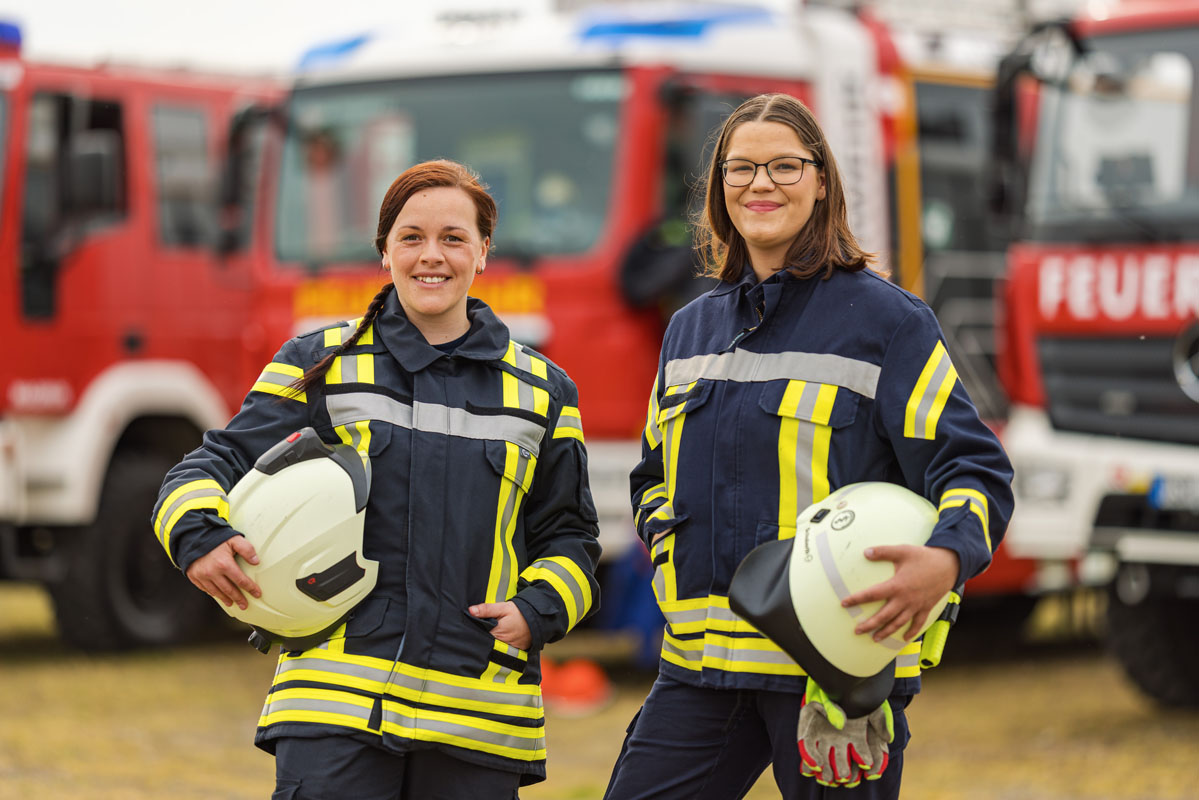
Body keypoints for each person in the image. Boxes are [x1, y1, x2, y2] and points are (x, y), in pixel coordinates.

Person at [604, 94, 1014, 799]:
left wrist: (944, 561)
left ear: (821, 180)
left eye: (784, 167)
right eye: (741, 169)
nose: (760, 185)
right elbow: (652, 477)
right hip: (699, 672)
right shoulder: (690, 329)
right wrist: (668, 546)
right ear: (718, 188)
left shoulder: (887, 322)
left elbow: (970, 466)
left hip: (831, 677)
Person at [151, 159, 601, 799]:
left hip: (480, 714)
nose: (431, 256)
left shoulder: (544, 391)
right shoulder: (318, 363)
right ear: (384, 253)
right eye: (411, 237)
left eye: (453, 238)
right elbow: (212, 463)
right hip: (334, 708)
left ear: (483, 253)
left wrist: (538, 610)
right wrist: (198, 534)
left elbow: (573, 537)